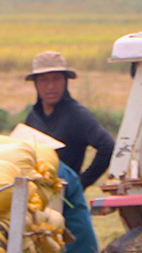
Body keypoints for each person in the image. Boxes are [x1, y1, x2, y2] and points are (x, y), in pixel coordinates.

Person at [22, 51, 113, 188]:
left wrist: (79, 184)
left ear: (66, 81)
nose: (51, 86)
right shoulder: (33, 117)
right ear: (35, 83)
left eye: (56, 79)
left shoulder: (77, 115)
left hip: (65, 199)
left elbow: (108, 146)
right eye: (43, 80)